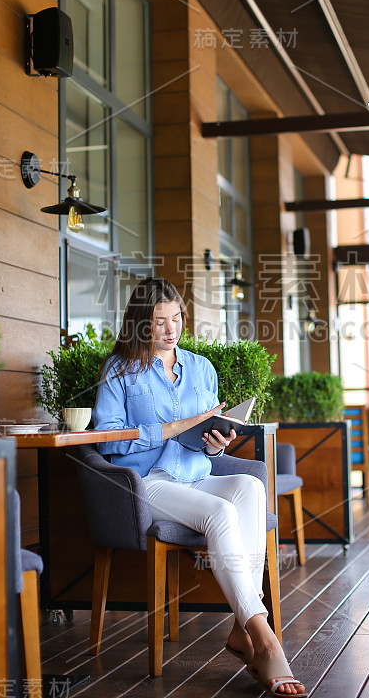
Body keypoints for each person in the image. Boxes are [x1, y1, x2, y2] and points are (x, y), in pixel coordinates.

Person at [92, 277, 307, 696]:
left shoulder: (200, 368)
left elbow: (206, 438)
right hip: (146, 482)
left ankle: (238, 629)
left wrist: (216, 441)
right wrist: (169, 429)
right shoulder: (119, 368)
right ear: (140, 324)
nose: (170, 329)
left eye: (176, 318)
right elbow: (106, 438)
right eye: (159, 321)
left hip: (196, 475)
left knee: (248, 487)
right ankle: (262, 637)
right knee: (221, 512)